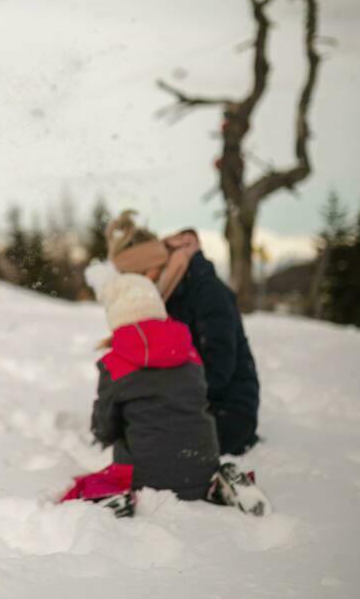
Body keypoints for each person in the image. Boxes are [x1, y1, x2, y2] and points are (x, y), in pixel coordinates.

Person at [63, 264, 271, 517]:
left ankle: (112, 496)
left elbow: (105, 426)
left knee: (94, 480)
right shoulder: (189, 352)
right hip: (202, 463)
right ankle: (218, 485)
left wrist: (107, 432)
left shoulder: (115, 364)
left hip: (146, 477)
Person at [107, 211, 261, 456]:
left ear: (154, 268)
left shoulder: (207, 292)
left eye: (139, 277)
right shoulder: (160, 297)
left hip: (228, 411)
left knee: (156, 446)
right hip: (187, 404)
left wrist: (164, 400)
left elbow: (218, 371)